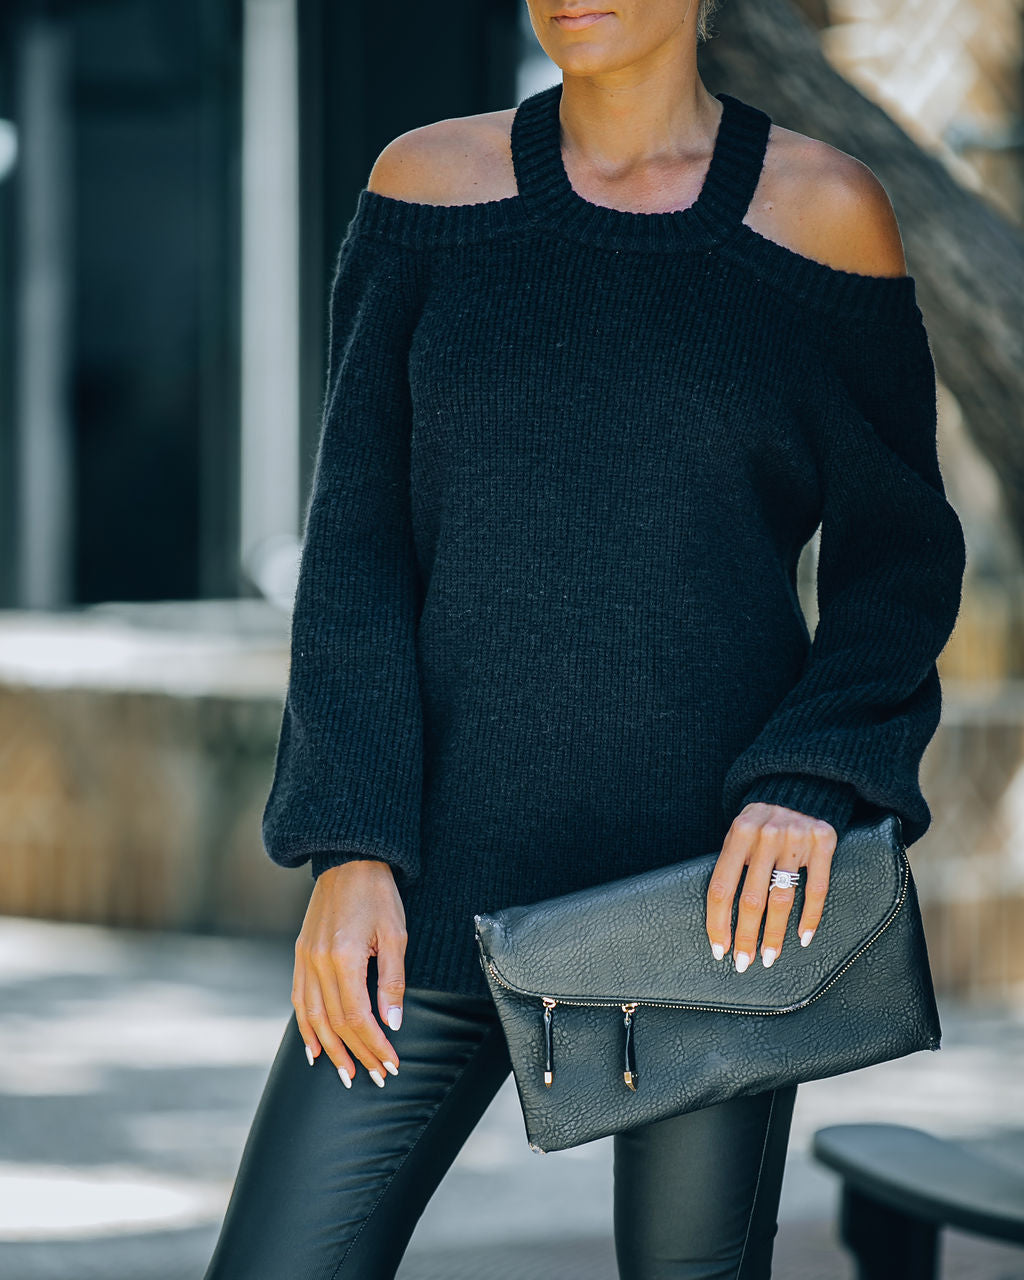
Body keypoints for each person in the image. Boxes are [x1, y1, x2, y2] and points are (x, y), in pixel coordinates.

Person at [202, 0, 967, 1276]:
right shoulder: (425, 188)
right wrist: (350, 846)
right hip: (429, 895)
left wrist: (814, 777)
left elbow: (899, 560)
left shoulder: (824, 214)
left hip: (707, 910)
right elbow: (357, 548)